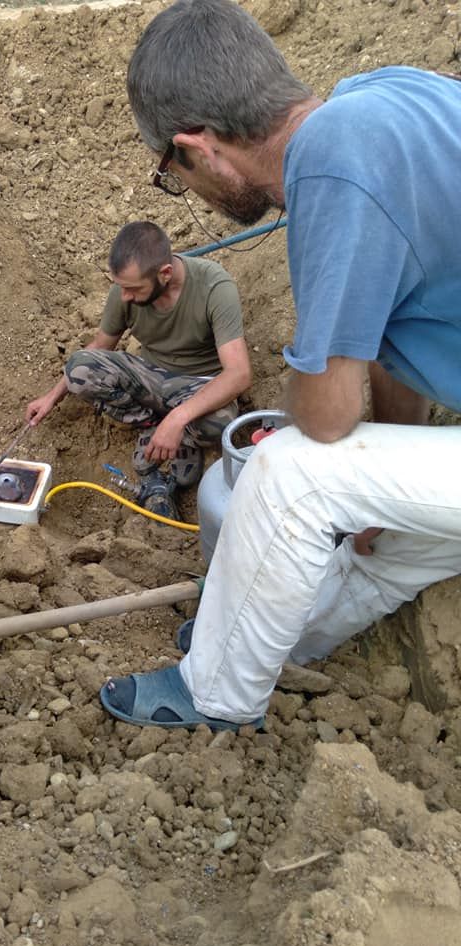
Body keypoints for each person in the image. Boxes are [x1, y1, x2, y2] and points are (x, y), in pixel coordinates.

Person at [100, 0, 461, 731]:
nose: (189, 191)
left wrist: (309, 415)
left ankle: (216, 695)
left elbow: (326, 420)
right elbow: (390, 334)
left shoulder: (331, 167)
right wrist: (376, 493)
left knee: (286, 470)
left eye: (173, 174)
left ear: (197, 147)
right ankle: (275, 638)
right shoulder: (388, 93)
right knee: (394, 545)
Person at [26, 221, 252, 503]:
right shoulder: (125, 292)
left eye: (133, 289)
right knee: (79, 369)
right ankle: (151, 426)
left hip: (199, 385)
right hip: (149, 378)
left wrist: (179, 417)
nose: (125, 297)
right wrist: (52, 397)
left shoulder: (214, 286)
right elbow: (99, 348)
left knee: (220, 424)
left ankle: (180, 434)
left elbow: (239, 373)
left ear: (165, 274)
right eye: (121, 287)